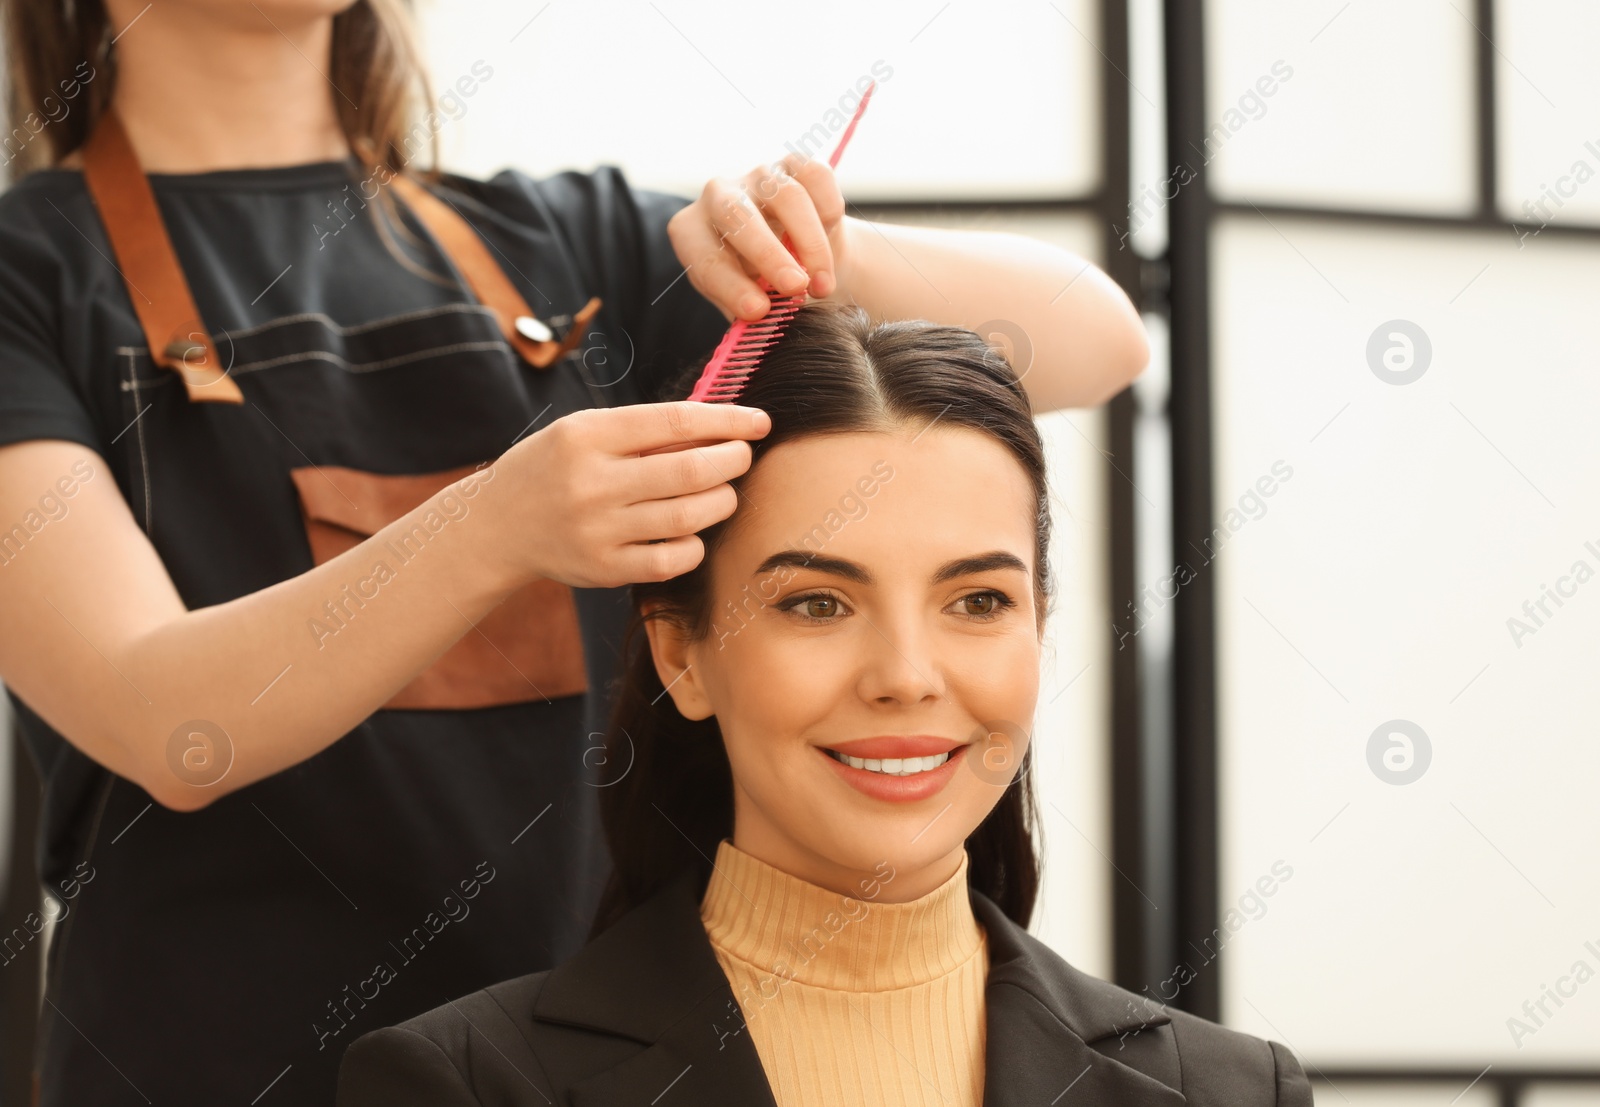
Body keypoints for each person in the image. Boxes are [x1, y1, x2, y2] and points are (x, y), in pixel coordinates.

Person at [0, 1, 1149, 1103]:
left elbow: (1093, 342)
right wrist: (496, 524)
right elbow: (165, 724)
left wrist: (827, 253)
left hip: (597, 1069)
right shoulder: (29, 278)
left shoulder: (567, 242)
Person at [335, 301, 1313, 1106]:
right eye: (816, 603)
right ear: (682, 653)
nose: (905, 674)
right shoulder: (465, 1085)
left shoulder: (1227, 1093)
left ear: (1041, 624)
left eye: (977, 601)